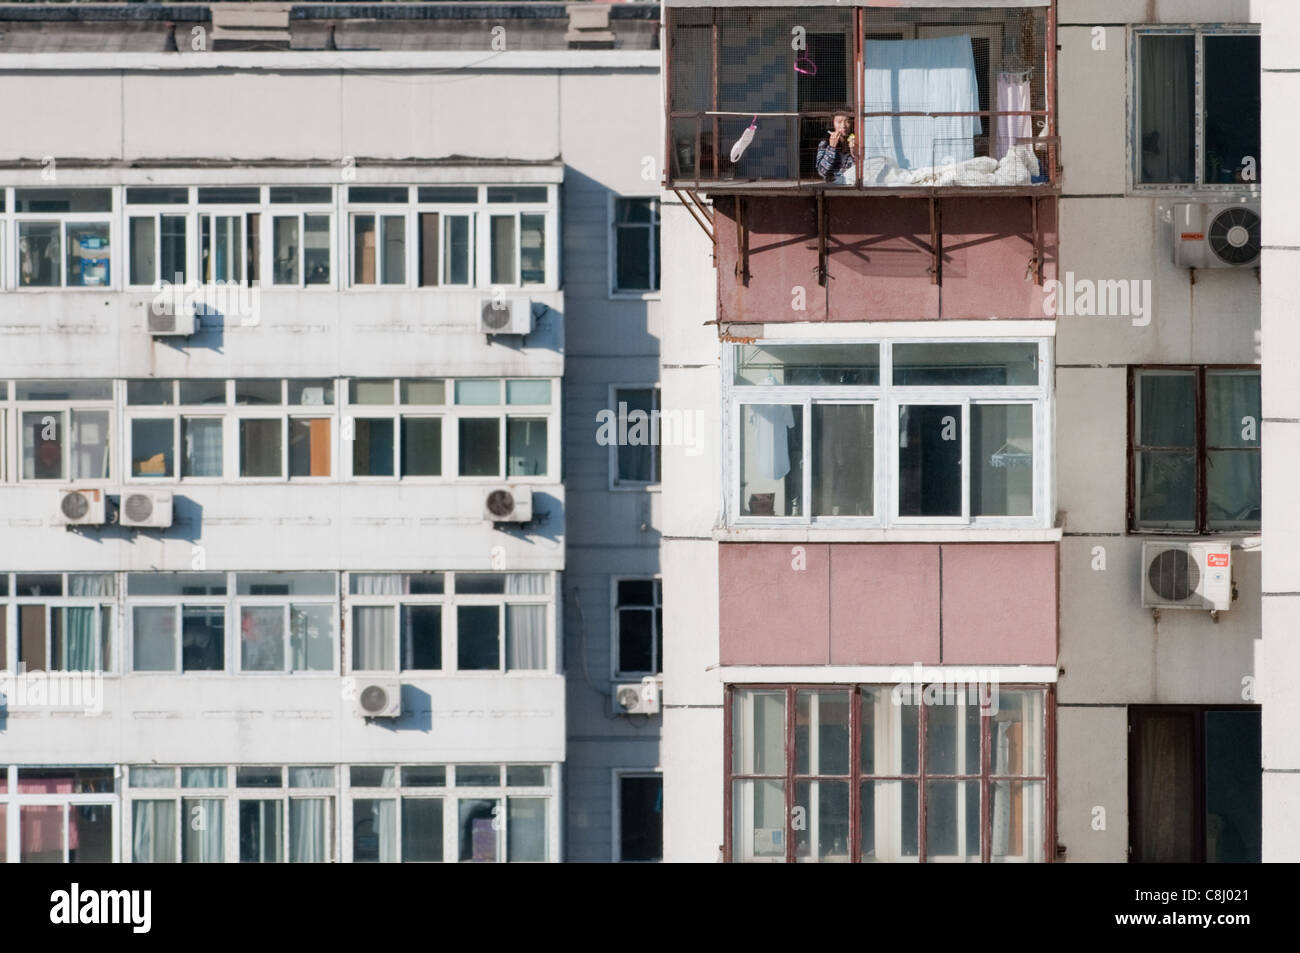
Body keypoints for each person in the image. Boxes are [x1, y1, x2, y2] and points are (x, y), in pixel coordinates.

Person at [816, 111, 856, 185]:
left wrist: (853, 152)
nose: (843, 125)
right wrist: (831, 147)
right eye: (839, 122)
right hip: (832, 186)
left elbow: (863, 168)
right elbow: (821, 172)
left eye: (847, 121)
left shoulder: (857, 141)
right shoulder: (824, 143)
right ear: (833, 124)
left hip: (852, 185)